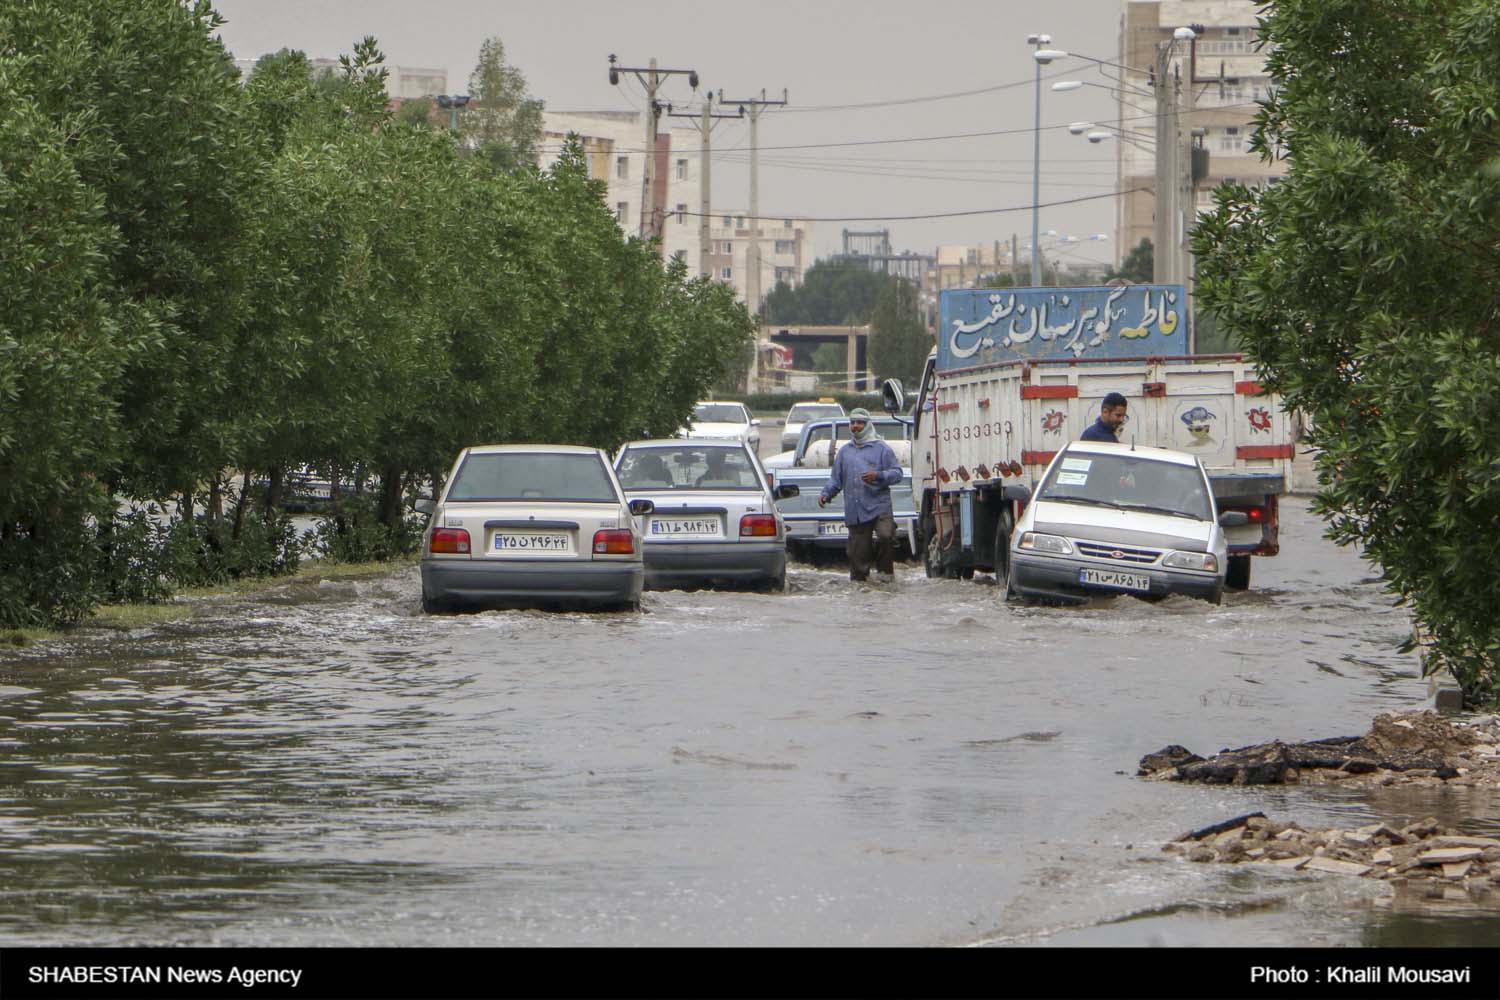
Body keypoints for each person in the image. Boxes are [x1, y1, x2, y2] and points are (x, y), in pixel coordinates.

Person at [819, 408, 902, 582]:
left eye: (860, 423)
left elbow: (897, 473)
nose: (856, 426)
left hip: (880, 507)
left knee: (886, 536)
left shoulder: (881, 449)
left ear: (867, 424)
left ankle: (885, 577)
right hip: (856, 511)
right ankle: (860, 591)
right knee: (858, 560)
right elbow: (836, 480)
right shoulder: (844, 452)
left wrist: (878, 476)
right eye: (853, 423)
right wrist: (826, 494)